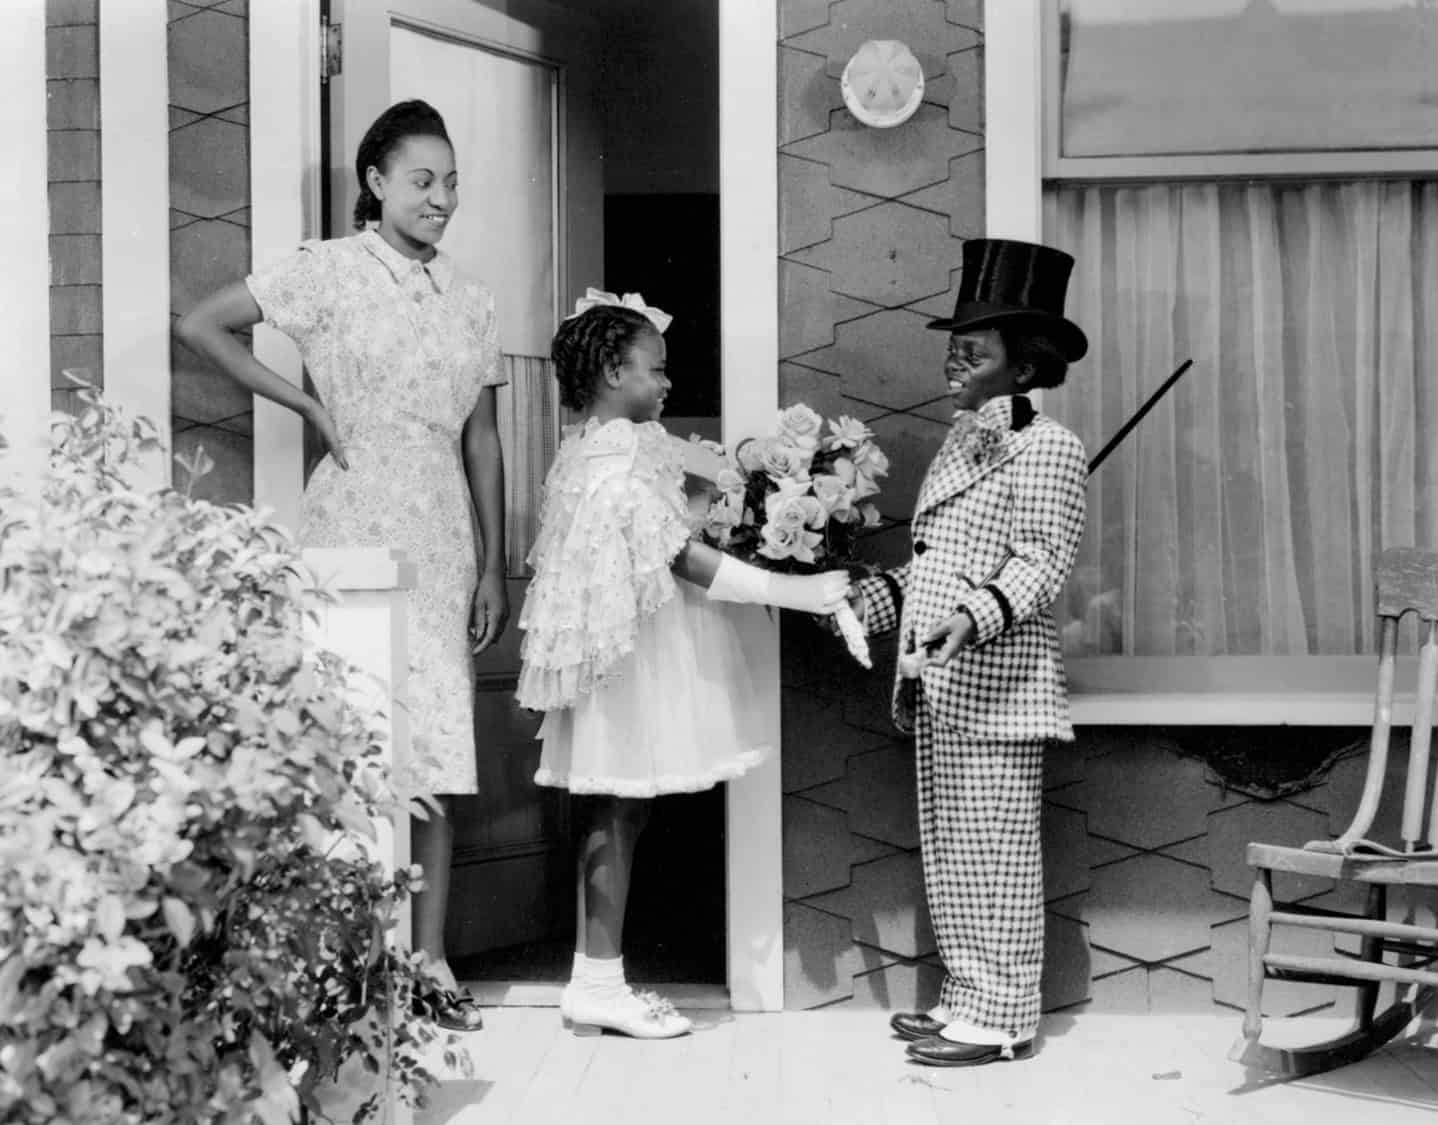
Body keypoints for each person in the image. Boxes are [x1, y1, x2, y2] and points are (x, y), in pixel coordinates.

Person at [174, 99, 506, 1032]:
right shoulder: (326, 269)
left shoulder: (473, 297)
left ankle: (430, 959)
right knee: (356, 741)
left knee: (437, 746)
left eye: (449, 182)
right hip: (351, 522)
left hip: (442, 531)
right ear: (375, 183)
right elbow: (203, 325)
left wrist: (490, 563)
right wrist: (308, 409)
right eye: (421, 180)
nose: (441, 198)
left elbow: (483, 439)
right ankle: (350, 968)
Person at [517, 294, 849, 1039]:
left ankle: (594, 975)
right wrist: (791, 589)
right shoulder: (622, 451)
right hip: (628, 661)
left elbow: (661, 526)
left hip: (618, 654)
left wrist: (704, 491)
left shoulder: (592, 448)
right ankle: (597, 977)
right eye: (656, 369)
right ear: (612, 370)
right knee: (617, 806)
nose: (667, 383)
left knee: (620, 807)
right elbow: (679, 556)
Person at [846, 238, 1089, 1067]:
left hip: (999, 685)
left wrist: (971, 619)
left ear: (1022, 369)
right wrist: (864, 602)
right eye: (953, 345)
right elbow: (932, 563)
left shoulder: (1048, 446)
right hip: (940, 685)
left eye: (973, 350)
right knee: (955, 852)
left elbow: (1040, 561)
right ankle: (965, 995)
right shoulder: (963, 441)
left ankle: (1007, 1015)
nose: (955, 359)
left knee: (1000, 853)